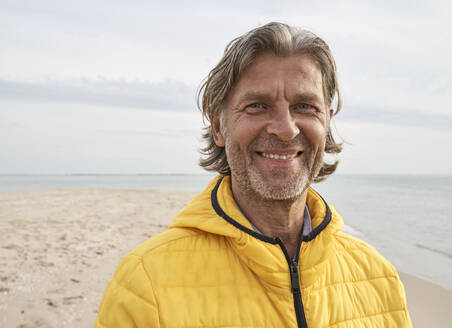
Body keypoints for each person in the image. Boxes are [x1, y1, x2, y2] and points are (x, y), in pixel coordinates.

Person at [95, 22, 412, 328]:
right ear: (219, 126)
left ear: (327, 122)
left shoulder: (379, 277)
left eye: (304, 106)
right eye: (257, 106)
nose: (286, 129)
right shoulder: (146, 283)